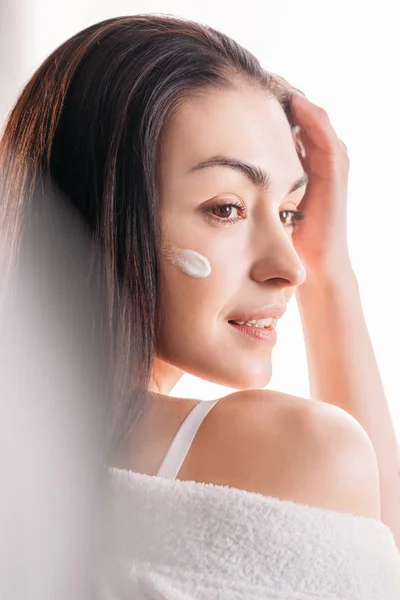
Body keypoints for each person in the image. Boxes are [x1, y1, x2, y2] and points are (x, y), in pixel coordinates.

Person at [0, 13, 399, 600]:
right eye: (226, 208)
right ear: (102, 210)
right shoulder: (296, 450)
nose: (291, 266)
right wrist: (334, 280)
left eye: (289, 214)